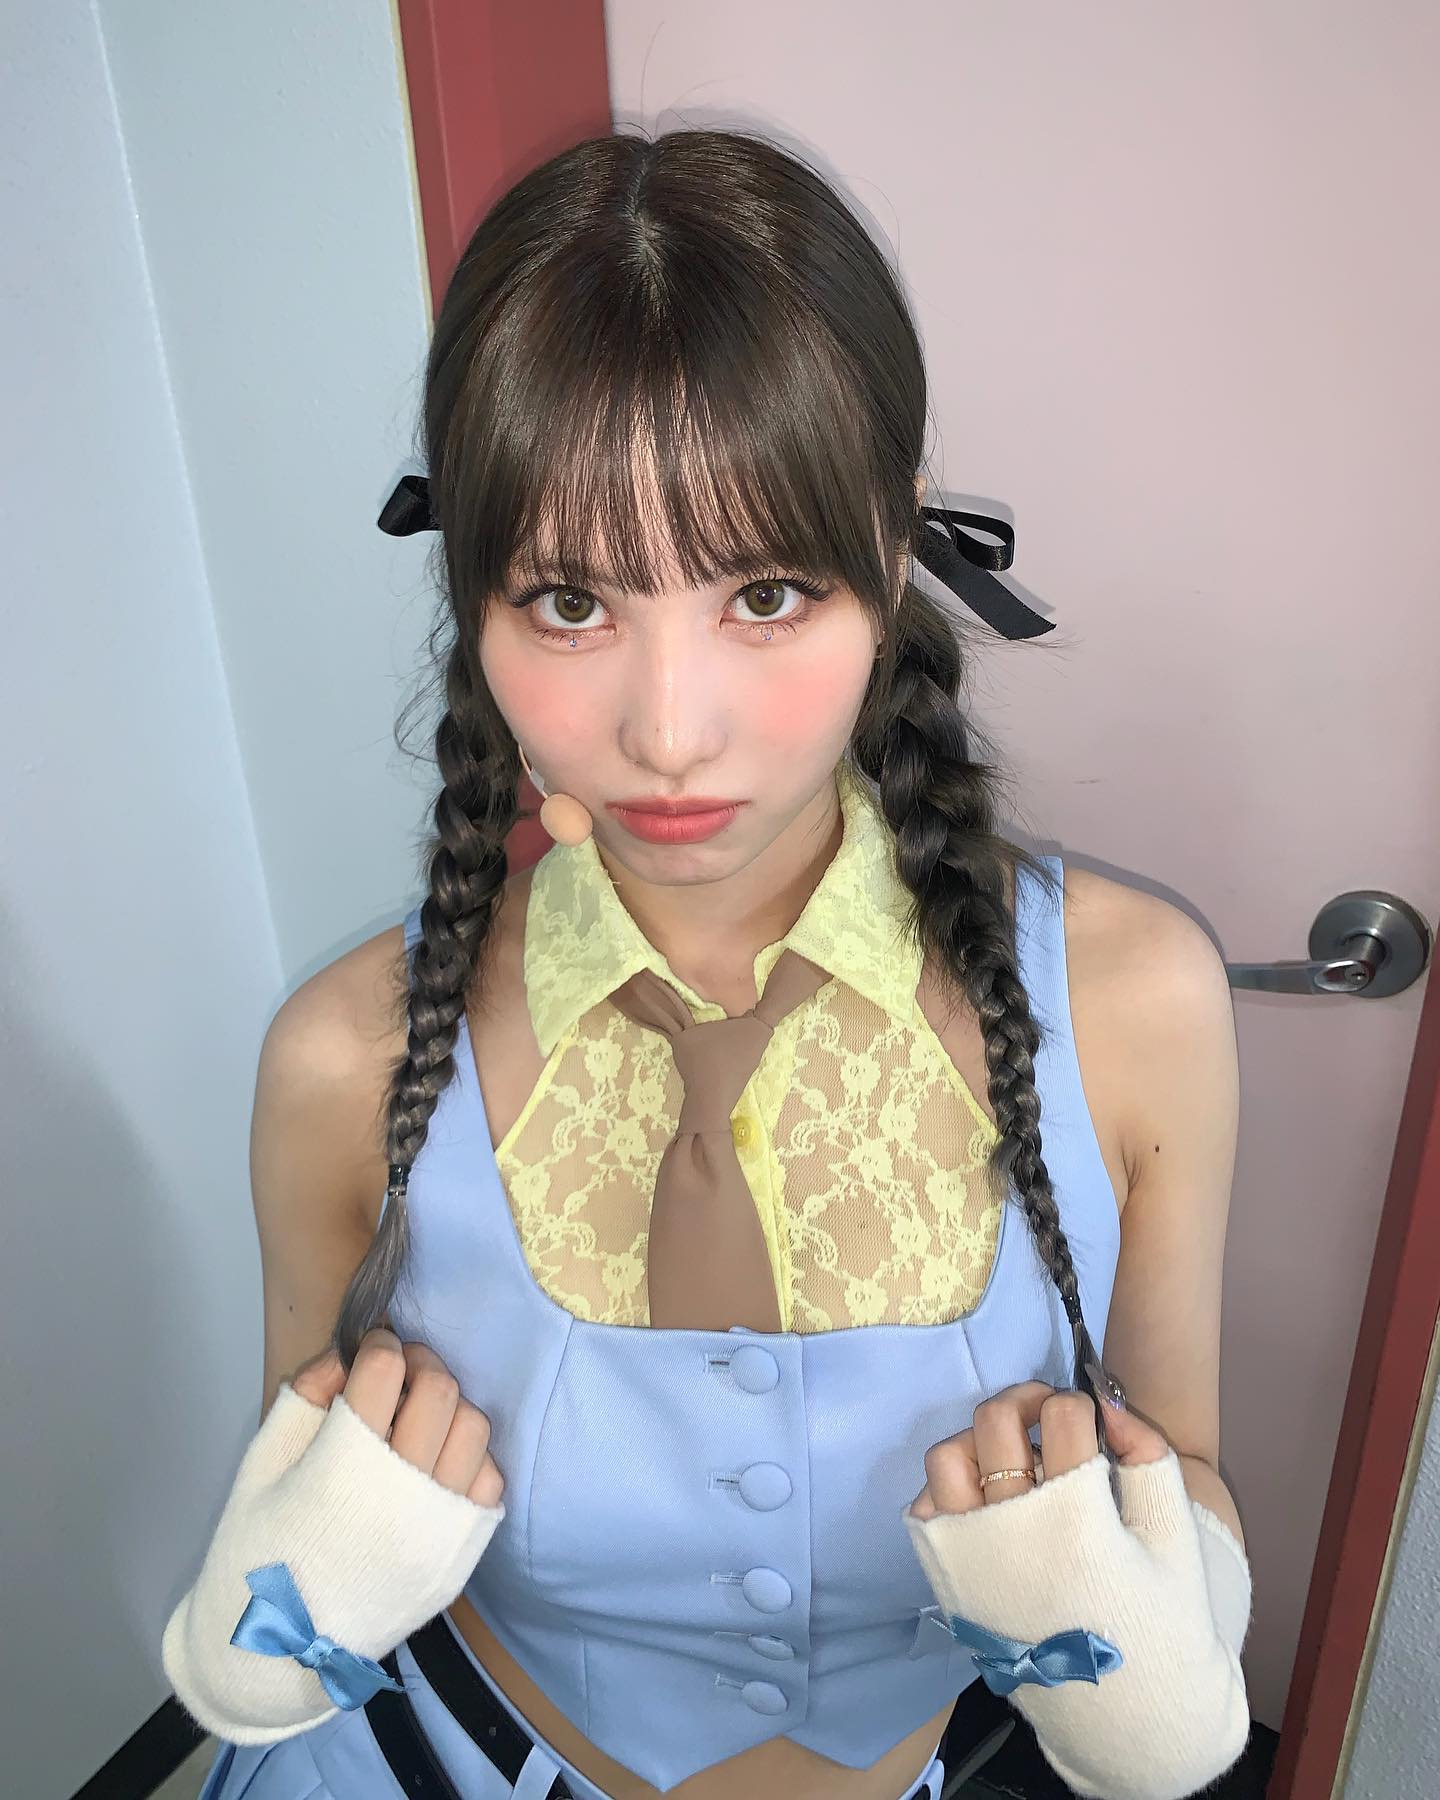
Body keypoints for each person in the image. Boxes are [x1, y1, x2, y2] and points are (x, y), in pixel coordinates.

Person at [165, 127, 1253, 1800]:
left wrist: (1153, 1651)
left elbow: (1191, 1466)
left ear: (892, 553)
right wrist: (289, 1603)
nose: (668, 732)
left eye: (765, 592)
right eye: (569, 603)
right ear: (472, 601)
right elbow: (293, 1506)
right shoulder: (344, 1059)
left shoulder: (1135, 1002)